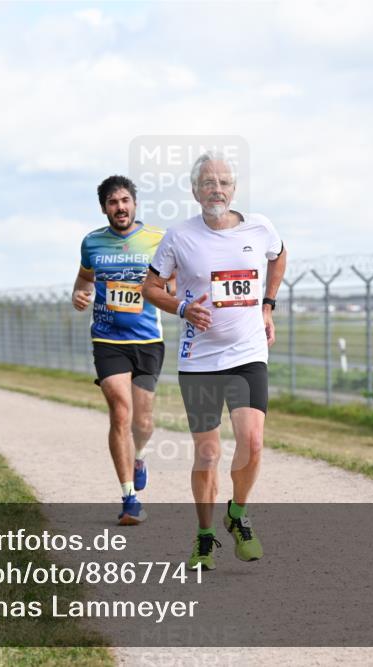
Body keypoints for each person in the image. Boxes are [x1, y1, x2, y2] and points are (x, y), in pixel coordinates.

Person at [142, 151, 287, 571]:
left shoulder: (260, 227)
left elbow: (279, 255)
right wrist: (182, 308)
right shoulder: (179, 236)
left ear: (234, 189)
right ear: (194, 191)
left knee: (253, 442)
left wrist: (267, 306)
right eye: (208, 183)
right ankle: (205, 537)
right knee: (207, 455)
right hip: (199, 360)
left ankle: (238, 514)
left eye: (223, 182)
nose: (216, 190)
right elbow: (150, 286)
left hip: (247, 354)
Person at [74, 175, 170, 526]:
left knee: (143, 422)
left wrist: (171, 290)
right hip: (107, 339)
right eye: (112, 203)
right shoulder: (92, 242)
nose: (120, 207)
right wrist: (79, 296)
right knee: (120, 412)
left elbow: (172, 282)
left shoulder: (158, 239)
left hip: (147, 339)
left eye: (125, 200)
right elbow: (83, 281)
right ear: (104, 208)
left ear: (134, 203)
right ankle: (129, 498)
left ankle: (140, 455)